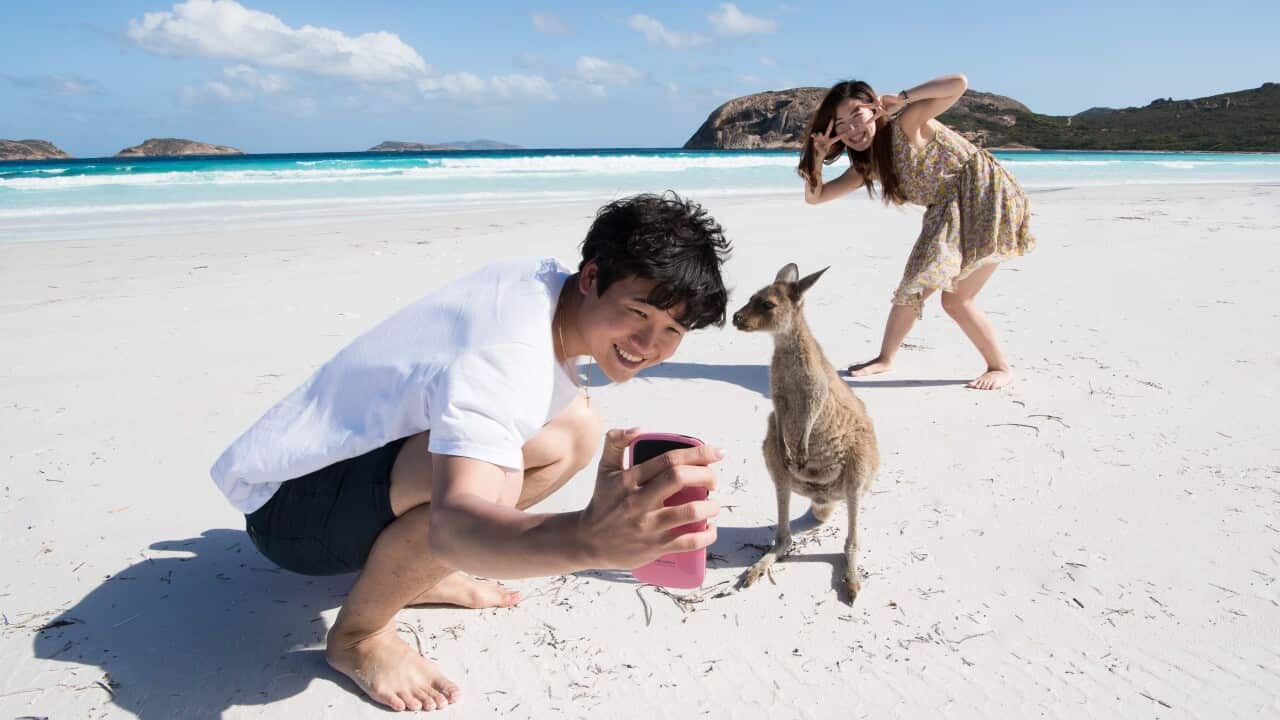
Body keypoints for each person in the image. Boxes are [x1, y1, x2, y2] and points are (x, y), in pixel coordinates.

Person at [210, 192, 731, 712]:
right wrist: (589, 540)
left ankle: (408, 572)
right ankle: (360, 636)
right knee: (496, 480)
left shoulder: (545, 286)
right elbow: (456, 525)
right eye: (638, 312)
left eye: (671, 330)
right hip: (288, 515)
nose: (647, 343)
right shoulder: (508, 360)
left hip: (323, 468)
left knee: (574, 430)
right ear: (592, 279)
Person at [798, 74, 1035, 390]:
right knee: (915, 285)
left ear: (874, 109)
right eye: (841, 124)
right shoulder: (866, 166)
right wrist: (816, 156)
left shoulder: (906, 123)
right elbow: (816, 197)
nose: (852, 129)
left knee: (955, 300)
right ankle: (885, 359)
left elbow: (958, 84)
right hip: (946, 210)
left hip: (984, 194)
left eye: (857, 115)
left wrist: (903, 97)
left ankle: (1000, 367)